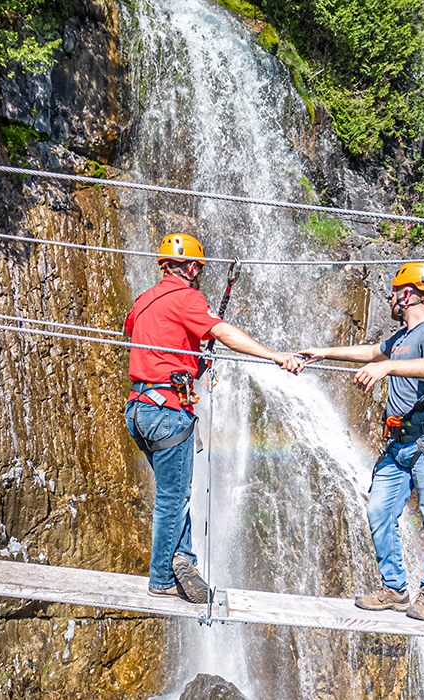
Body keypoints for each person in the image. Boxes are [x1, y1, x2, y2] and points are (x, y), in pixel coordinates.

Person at [124, 232, 305, 603]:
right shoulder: (187, 297)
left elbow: (140, 335)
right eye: (199, 268)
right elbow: (222, 332)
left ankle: (182, 558)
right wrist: (275, 356)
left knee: (173, 492)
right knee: (173, 498)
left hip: (139, 409)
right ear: (191, 266)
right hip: (166, 411)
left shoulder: (143, 300)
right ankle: (162, 577)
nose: (200, 273)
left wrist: (191, 359)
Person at [300, 261, 424, 621]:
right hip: (399, 444)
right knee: (378, 511)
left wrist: (386, 368)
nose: (389, 299)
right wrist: (323, 353)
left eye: (392, 292)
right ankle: (396, 589)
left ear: (406, 294)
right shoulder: (400, 340)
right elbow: (371, 352)